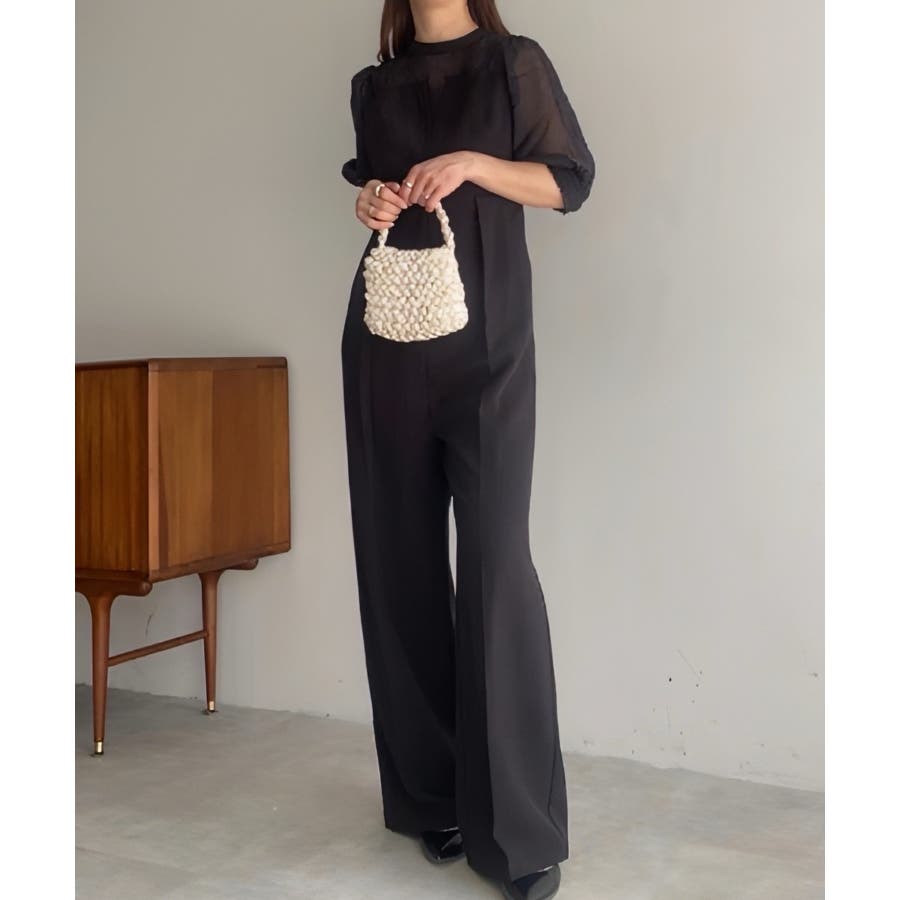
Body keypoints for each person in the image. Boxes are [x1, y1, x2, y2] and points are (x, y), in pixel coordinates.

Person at [339, 2, 594, 898]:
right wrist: (368, 199)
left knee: (496, 569)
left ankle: (519, 833)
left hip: (489, 351)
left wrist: (476, 164)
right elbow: (375, 193)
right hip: (386, 341)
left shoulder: (513, 63)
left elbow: (569, 181)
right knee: (398, 567)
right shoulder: (373, 86)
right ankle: (430, 800)